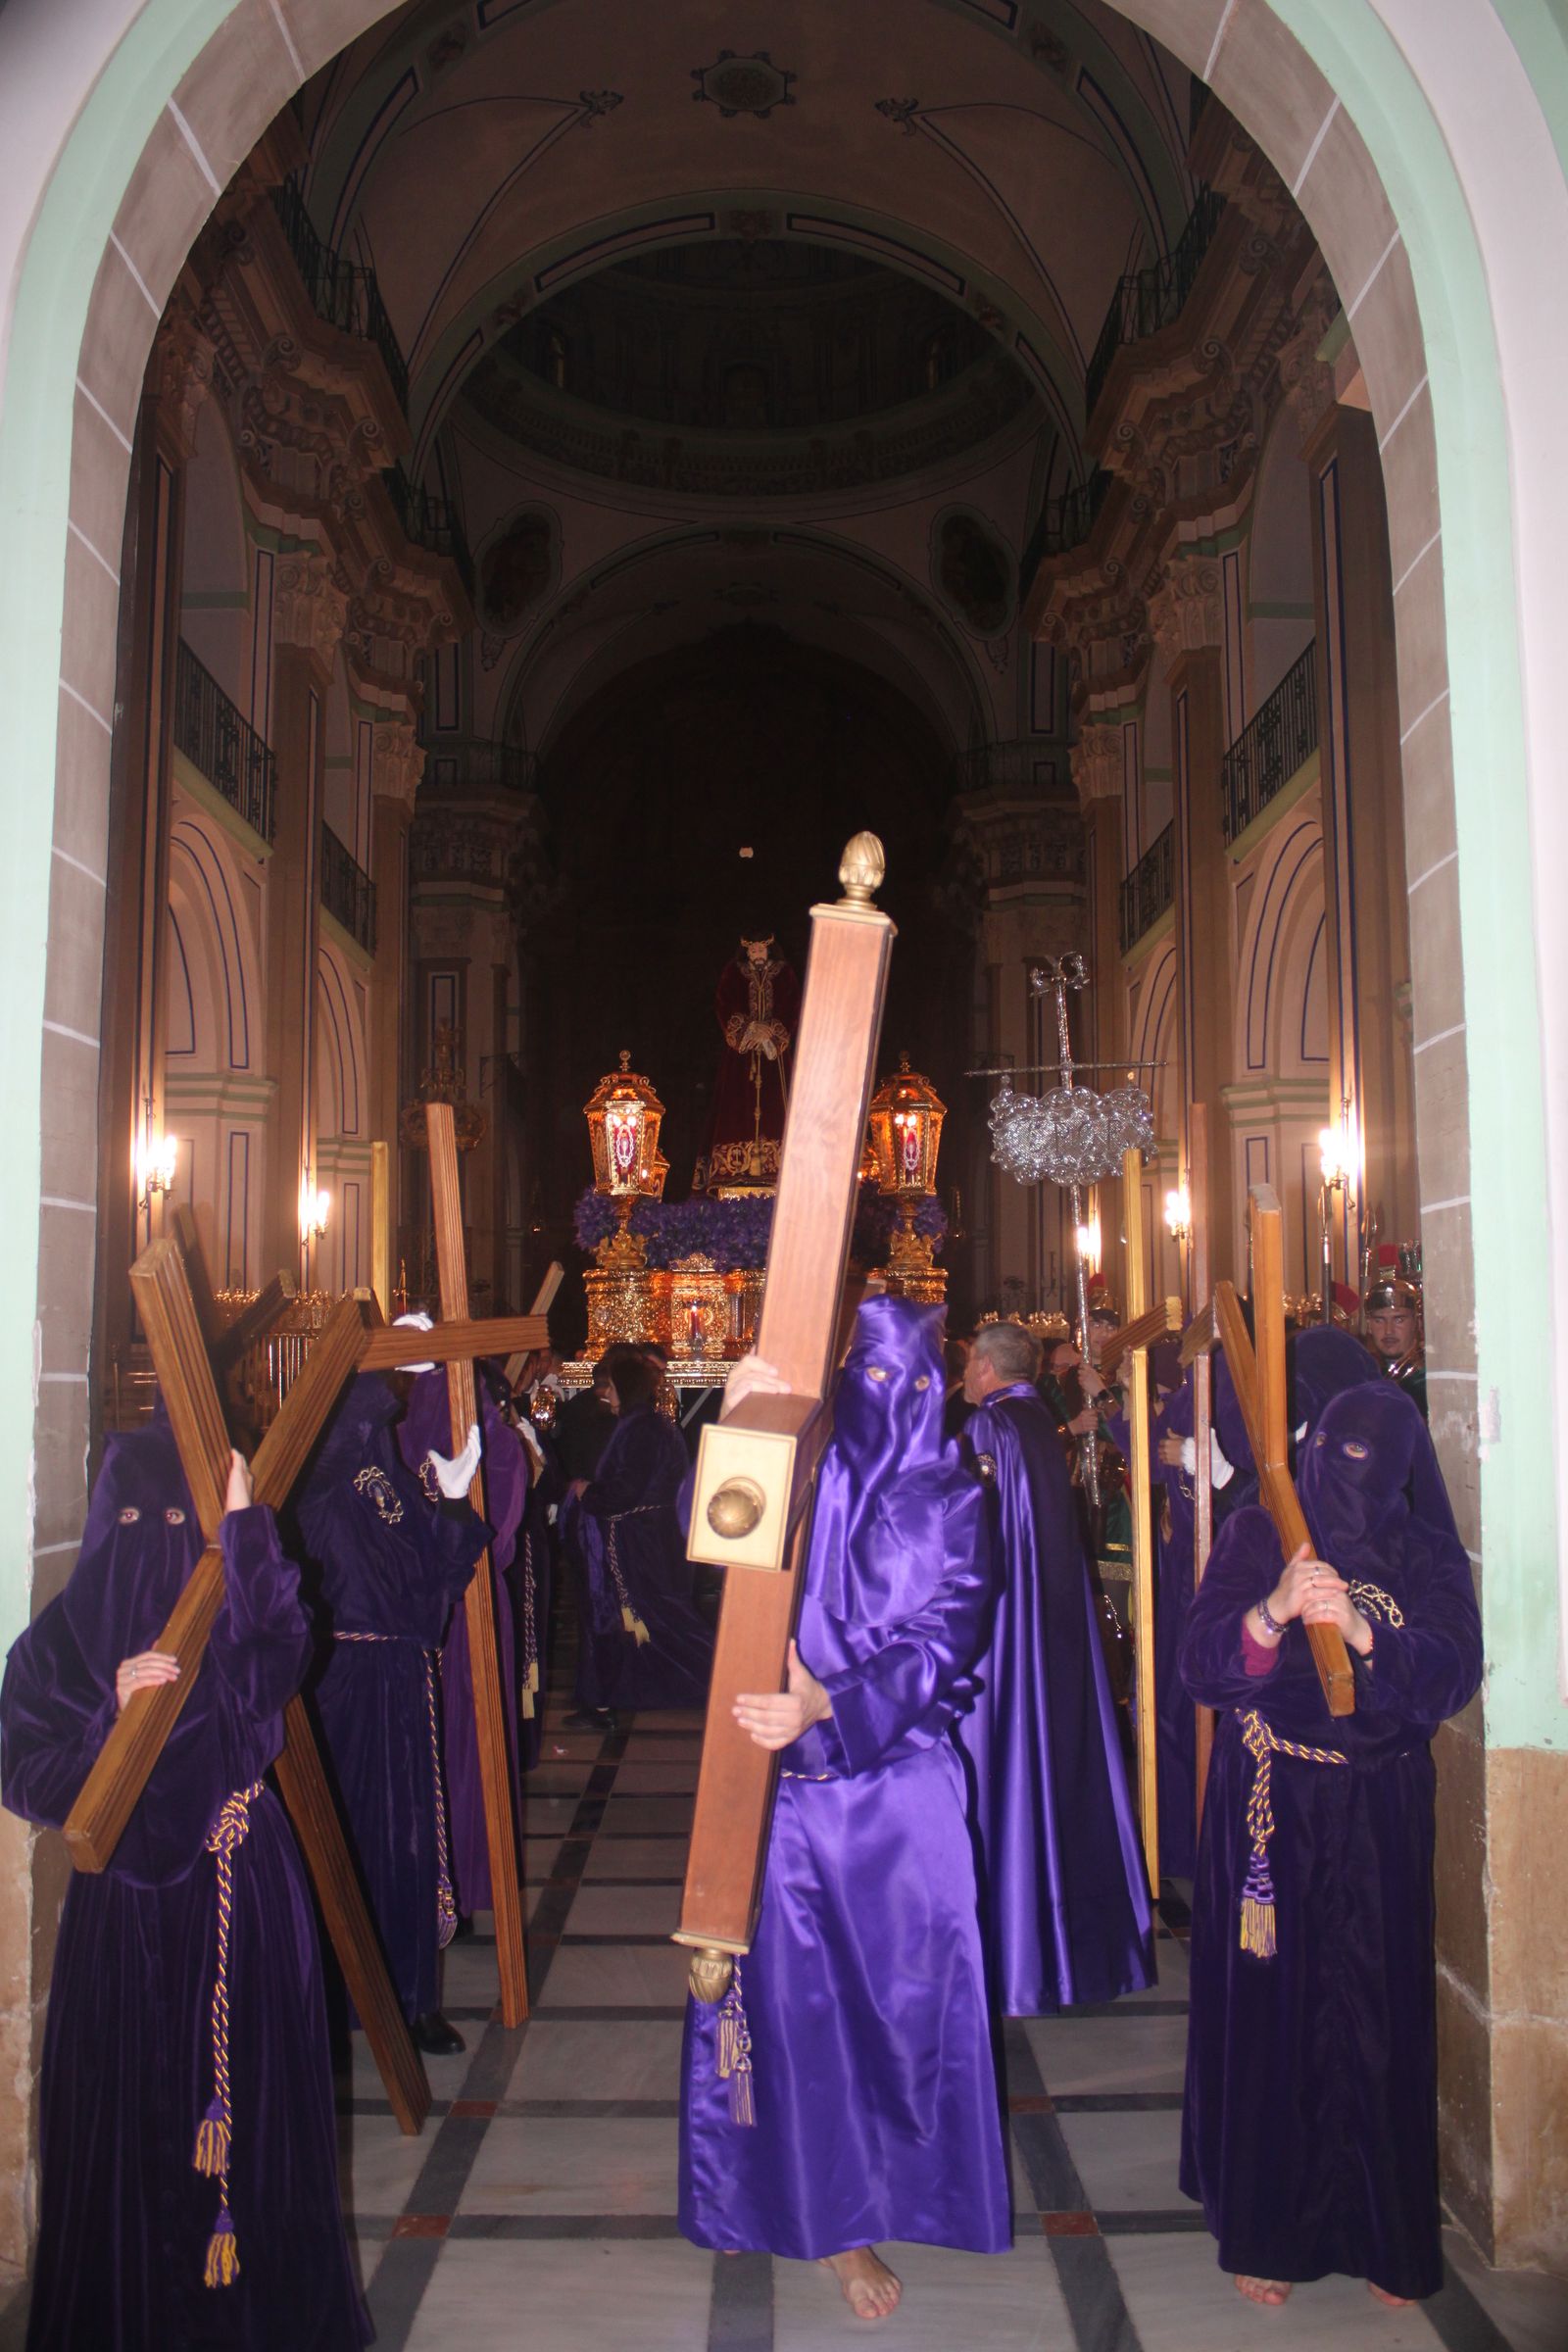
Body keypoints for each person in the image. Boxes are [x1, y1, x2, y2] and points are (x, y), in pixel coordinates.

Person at [0, 1420, 368, 2350]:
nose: (148, 1537)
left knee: (254, 2122)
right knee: (131, 2123)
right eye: (128, 1516)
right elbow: (24, 1772)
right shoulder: (59, 1645)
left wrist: (246, 1530)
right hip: (122, 1916)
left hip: (238, 1888)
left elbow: (281, 1652)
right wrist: (112, 1726)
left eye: (174, 1515)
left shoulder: (226, 1610)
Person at [680, 1298, 1010, 2322]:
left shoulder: (956, 1497)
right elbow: (713, 1549)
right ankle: (834, 2227)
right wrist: (730, 1435)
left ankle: (916, 2184)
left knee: (915, 2007)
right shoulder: (801, 1473)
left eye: (909, 1384)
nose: (891, 1403)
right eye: (868, 1380)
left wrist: (837, 1700)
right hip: (786, 1802)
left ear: (938, 1388)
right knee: (799, 2015)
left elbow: (951, 1634)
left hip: (902, 1793)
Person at [1179, 1382, 1481, 2310]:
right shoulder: (1257, 1534)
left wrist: (1360, 1629)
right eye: (1330, 1452)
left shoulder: (1425, 1551)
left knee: (1380, 2015)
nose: (1340, 1472)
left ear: (1396, 1470)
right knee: (1276, 2019)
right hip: (1272, 1808)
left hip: (1381, 1809)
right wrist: (1269, 1615)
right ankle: (1270, 2228)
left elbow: (1453, 1672)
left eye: (1364, 1458)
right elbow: (1201, 1666)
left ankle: (1386, 2233)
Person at [957, 1317, 1155, 2009]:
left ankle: (1002, 1943)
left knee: (1005, 1773)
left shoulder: (989, 1427)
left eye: (967, 1362)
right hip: (1053, 1621)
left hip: (1008, 1627)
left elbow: (975, 1536)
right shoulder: (1039, 1420)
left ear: (985, 1366)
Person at [291, 1372, 489, 2054]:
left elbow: (439, 1574)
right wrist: (383, 1369)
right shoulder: (314, 1470)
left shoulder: (392, 1472)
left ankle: (414, 1996)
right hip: (345, 1678)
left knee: (412, 1841)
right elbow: (332, 1450)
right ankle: (339, 1996)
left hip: (403, 1675)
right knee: (351, 1833)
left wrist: (456, 1505)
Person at [401, 1358, 528, 1917]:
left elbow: (498, 1540)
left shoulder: (496, 1448)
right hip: (418, 1613)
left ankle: (471, 1878)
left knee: (471, 1741)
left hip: (467, 1604)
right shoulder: (397, 1444)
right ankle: (440, 1881)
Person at [562, 1344, 713, 1713]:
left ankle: (721, 1679)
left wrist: (588, 1492)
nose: (607, 1396)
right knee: (653, 1620)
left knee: (667, 1619)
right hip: (651, 1536)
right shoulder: (646, 1425)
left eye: (611, 1388)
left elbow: (625, 1490)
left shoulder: (641, 1429)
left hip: (645, 1542)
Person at [693, 932, 801, 1191]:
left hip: (774, 1056)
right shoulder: (734, 972)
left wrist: (771, 1032)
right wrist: (748, 1029)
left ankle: (781, 1171)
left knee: (779, 1107)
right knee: (735, 1105)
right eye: (752, 951)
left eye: (760, 950)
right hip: (742, 1055)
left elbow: (792, 1006)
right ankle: (735, 1170)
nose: (756, 955)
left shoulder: (784, 974)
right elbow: (724, 1003)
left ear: (770, 950)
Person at [1363, 1273, 1428, 1421]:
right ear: (1369, 1325)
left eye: (1399, 1319)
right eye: (1379, 1320)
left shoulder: (1427, 1383)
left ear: (1417, 1322)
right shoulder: (1366, 1376)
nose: (1388, 1330)